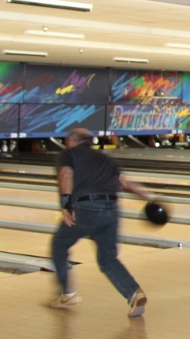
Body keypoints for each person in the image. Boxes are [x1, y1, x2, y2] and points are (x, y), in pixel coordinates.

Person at [50, 128, 155, 316]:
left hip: (87, 208)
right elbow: (125, 182)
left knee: (59, 243)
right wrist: (150, 196)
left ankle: (68, 293)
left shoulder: (69, 154)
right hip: (112, 210)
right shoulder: (107, 158)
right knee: (108, 259)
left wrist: (66, 204)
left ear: (73, 141)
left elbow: (66, 174)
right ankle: (134, 293)